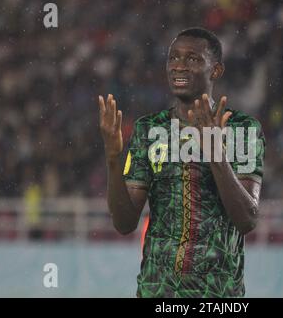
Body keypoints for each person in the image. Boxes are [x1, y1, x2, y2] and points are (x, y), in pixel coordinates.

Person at [98, 27, 265, 297]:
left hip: (217, 294)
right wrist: (113, 158)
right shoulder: (149, 130)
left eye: (193, 59)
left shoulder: (242, 130)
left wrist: (215, 154)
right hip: (157, 291)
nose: (179, 66)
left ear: (216, 71)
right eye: (173, 58)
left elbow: (247, 219)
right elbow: (125, 223)